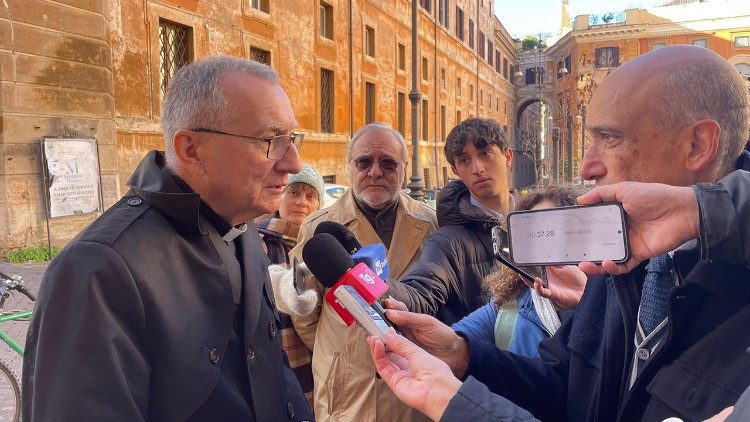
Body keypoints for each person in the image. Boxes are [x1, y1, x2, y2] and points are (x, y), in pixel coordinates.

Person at [369, 45, 750, 421]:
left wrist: (457, 405)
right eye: (590, 139)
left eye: (610, 138)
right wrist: (464, 354)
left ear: (697, 146)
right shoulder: (615, 258)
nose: (586, 167)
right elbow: (566, 388)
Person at [23, 56, 314, 421]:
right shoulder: (100, 267)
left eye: (291, 139)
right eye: (270, 140)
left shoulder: (241, 227)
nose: (294, 163)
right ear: (192, 150)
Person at [289, 122, 438, 421]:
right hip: (346, 388)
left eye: (387, 163)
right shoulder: (317, 228)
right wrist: (340, 353)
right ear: (350, 167)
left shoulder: (431, 224)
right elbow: (304, 312)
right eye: (364, 162)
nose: (375, 172)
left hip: (411, 383)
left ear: (404, 170)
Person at [387, 118, 516, 324]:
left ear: (507, 157)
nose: (478, 169)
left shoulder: (535, 218)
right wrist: (372, 287)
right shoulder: (447, 242)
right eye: (464, 160)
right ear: (456, 170)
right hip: (479, 354)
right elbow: (421, 290)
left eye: (485, 154)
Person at [451, 183, 588, 358]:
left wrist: (583, 304)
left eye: (554, 230)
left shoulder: (614, 301)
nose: (544, 242)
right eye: (533, 233)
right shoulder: (505, 309)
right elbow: (453, 340)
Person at [256, 163, 325, 405]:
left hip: (321, 366)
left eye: (310, 196)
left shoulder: (323, 248)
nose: (301, 202)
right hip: (274, 363)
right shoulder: (257, 242)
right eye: (293, 193)